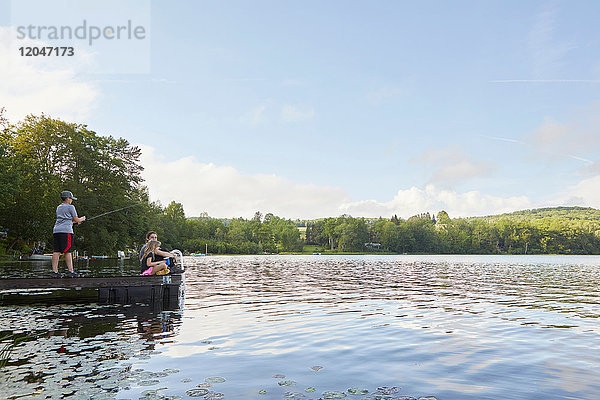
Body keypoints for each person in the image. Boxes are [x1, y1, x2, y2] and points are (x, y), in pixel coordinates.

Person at [51, 190, 85, 278]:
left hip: (56, 231)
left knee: (56, 251)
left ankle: (54, 272)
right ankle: (71, 271)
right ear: (67, 198)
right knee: (68, 251)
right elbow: (77, 219)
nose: (71, 200)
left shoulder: (59, 207)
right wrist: (82, 219)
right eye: (71, 198)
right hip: (66, 232)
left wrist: (73, 222)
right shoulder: (71, 207)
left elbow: (65, 219)